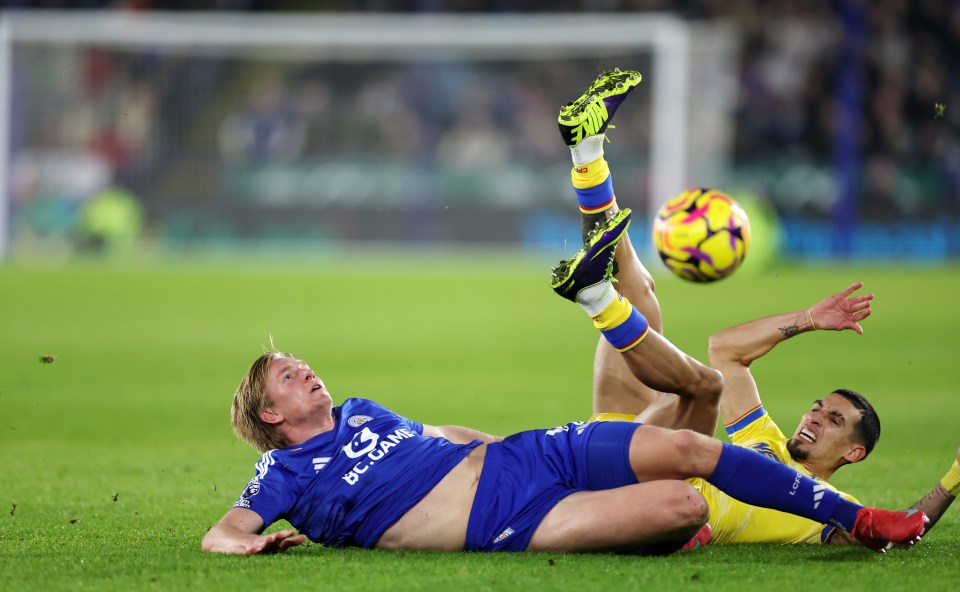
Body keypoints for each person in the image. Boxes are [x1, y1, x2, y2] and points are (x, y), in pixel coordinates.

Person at [202, 72, 927, 557]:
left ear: (851, 458)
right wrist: (251, 543)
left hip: (526, 458)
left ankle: (860, 517)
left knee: (656, 329)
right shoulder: (283, 472)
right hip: (509, 518)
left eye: (299, 363)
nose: (306, 370)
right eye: (289, 377)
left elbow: (440, 435)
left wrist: (503, 444)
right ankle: (590, 226)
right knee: (685, 490)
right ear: (270, 416)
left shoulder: (359, 411)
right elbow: (222, 532)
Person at [558, 69, 959, 547]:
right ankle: (588, 153)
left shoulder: (822, 509)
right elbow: (724, 348)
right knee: (637, 283)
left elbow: (896, 530)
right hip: (633, 443)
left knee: (695, 387)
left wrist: (952, 480)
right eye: (818, 408)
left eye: (832, 421)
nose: (813, 418)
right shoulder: (761, 439)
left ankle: (597, 299)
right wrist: (808, 319)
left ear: (854, 454)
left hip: (643, 489)